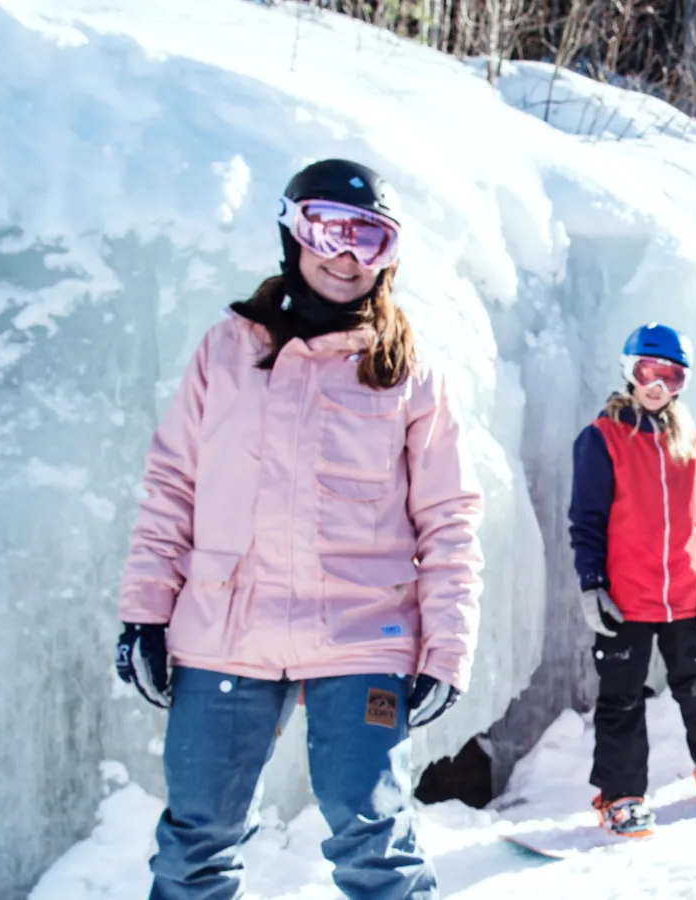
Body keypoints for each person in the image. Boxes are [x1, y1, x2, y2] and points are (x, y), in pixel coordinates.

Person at [115, 159, 482, 899]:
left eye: (370, 240)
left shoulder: (408, 373)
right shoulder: (226, 351)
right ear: (293, 233)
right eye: (329, 230)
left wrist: (447, 647)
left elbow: (447, 520)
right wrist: (145, 614)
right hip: (226, 633)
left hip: (361, 637)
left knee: (375, 838)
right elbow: (172, 486)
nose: (347, 255)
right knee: (196, 843)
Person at [568, 323, 696, 839]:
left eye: (671, 377)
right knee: (623, 698)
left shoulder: (692, 444)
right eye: (647, 372)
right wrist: (592, 584)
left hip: (683, 594)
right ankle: (622, 796)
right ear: (629, 371)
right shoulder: (601, 439)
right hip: (625, 598)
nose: (657, 385)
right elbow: (585, 521)